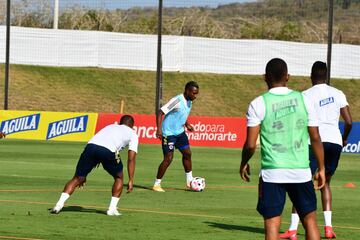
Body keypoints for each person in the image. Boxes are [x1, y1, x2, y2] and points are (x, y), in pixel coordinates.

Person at [239, 58, 326, 240]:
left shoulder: (258, 103)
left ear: (265, 77)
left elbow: (250, 144)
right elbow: (316, 137)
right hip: (301, 171)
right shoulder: (304, 99)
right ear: (288, 77)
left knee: (272, 223)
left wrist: (244, 163)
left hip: (272, 172)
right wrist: (322, 168)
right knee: (310, 220)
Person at [280, 61, 353, 239]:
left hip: (314, 142)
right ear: (326, 76)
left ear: (311, 76)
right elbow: (349, 121)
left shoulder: (305, 95)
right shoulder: (338, 93)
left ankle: (292, 229)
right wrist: (343, 138)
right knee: (325, 183)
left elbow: (297, 120)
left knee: (302, 183)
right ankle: (328, 228)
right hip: (334, 142)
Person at [50, 115, 138, 216]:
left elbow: (98, 145)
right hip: (108, 151)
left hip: (90, 147)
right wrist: (131, 179)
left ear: (120, 122)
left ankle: (58, 205)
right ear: (132, 126)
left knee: (77, 178)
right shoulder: (133, 134)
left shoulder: (110, 126)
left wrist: (84, 175)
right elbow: (131, 158)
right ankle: (112, 209)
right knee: (119, 177)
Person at [152, 81, 199, 192]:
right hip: (168, 134)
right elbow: (160, 112)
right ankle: (156, 184)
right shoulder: (176, 101)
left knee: (187, 154)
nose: (195, 96)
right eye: (194, 93)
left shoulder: (189, 101)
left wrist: (187, 124)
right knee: (168, 158)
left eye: (196, 94)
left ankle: (189, 181)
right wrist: (158, 129)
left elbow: (182, 113)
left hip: (180, 133)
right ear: (187, 91)